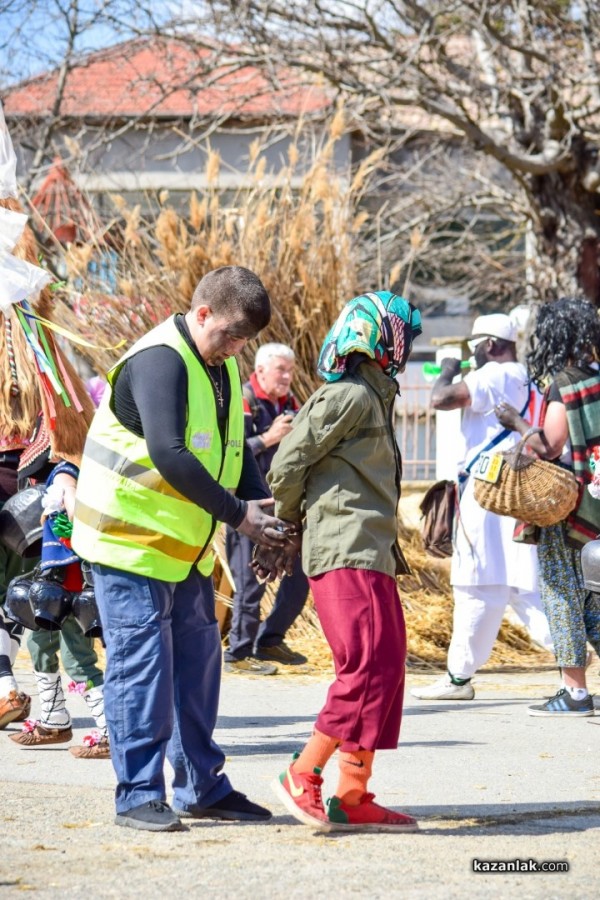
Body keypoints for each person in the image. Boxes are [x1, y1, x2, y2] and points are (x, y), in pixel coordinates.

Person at [71, 266, 292, 832]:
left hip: (182, 548)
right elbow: (170, 454)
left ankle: (201, 787)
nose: (236, 348)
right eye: (230, 335)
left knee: (197, 668)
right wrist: (240, 517)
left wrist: (264, 515)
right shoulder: (159, 359)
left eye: (245, 341)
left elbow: (230, 451)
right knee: (142, 669)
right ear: (201, 314)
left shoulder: (215, 361)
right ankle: (139, 795)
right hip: (127, 545)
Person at [260, 290, 422, 832]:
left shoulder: (375, 396)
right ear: (378, 336)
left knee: (386, 666)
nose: (408, 346)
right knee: (361, 666)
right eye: (404, 335)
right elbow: (287, 463)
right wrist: (287, 525)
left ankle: (353, 796)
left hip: (371, 550)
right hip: (343, 548)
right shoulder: (350, 396)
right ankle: (302, 775)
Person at [411, 314, 552, 703]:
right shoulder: (525, 377)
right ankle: (571, 661)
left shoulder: (494, 375)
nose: (472, 351)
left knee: (477, 585)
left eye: (475, 344)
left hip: (488, 497)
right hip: (510, 494)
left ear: (490, 344)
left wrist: (448, 368)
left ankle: (459, 679)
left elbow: (440, 398)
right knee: (521, 588)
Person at [495, 297, 600, 716]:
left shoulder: (567, 381)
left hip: (568, 506)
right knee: (595, 597)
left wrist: (516, 424)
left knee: (562, 593)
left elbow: (550, 444)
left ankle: (574, 691)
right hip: (599, 498)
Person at [8, 449, 108, 758]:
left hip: (75, 584)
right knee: (38, 643)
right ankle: (54, 719)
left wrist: (64, 488)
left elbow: (81, 519)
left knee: (77, 658)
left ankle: (111, 730)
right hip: (51, 580)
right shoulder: (62, 468)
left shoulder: (81, 470)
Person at [224, 342, 309, 675]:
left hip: (285, 507)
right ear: (259, 371)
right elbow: (231, 449)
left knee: (299, 577)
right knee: (250, 582)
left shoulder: (290, 403)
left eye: (291, 370)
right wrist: (269, 438)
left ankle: (269, 640)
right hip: (249, 507)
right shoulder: (244, 400)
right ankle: (238, 655)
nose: (288, 376)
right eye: (281, 370)